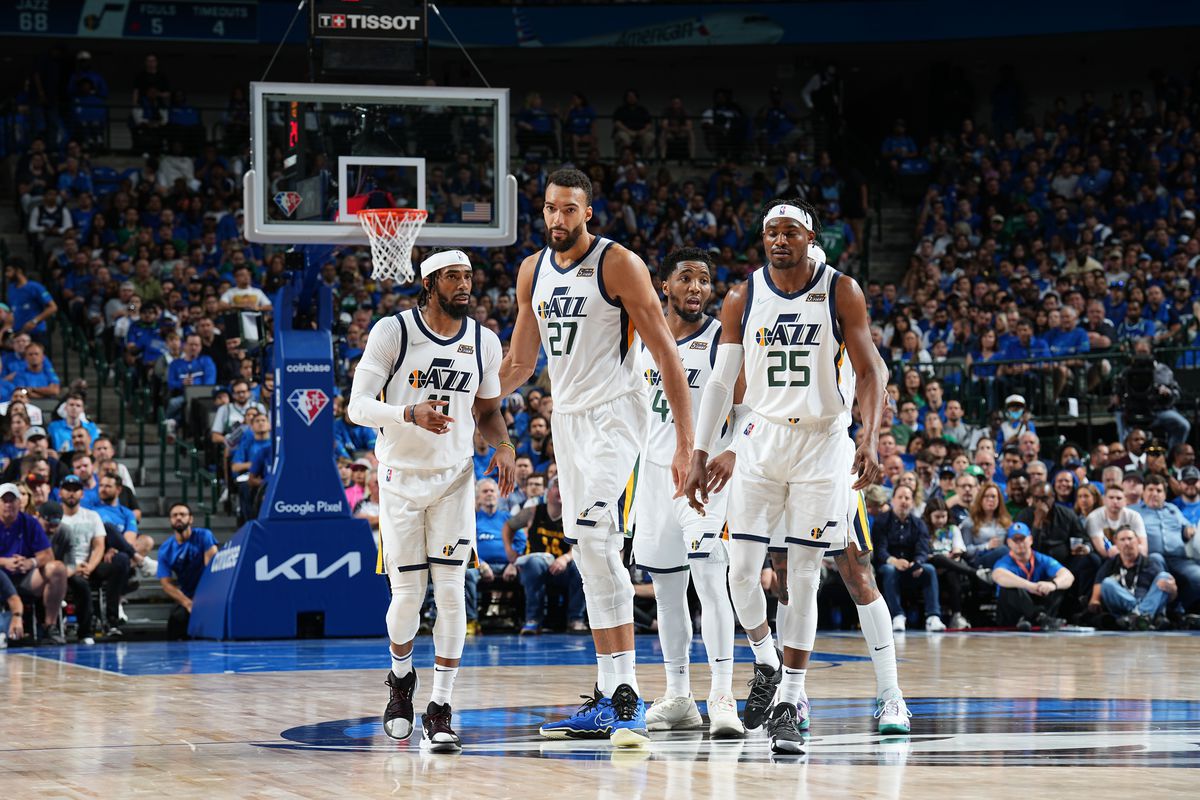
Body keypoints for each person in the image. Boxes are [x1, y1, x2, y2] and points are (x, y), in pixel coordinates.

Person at [683, 198, 904, 755]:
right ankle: (767, 661)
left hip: (826, 443)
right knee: (744, 573)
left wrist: (869, 437)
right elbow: (722, 384)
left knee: (836, 571)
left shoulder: (840, 290)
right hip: (761, 439)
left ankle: (813, 698)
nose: (780, 240)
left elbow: (873, 369)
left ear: (811, 239)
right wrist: (705, 450)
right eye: (771, 233)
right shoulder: (743, 296)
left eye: (791, 232)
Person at [499, 169, 694, 747]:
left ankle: (628, 698)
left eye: (569, 209)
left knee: (597, 538)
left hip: (617, 415)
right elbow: (520, 363)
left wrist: (686, 443)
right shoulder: (531, 271)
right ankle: (611, 696)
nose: (558, 219)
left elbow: (668, 355)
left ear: (588, 212)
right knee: (589, 552)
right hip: (568, 420)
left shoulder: (618, 263)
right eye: (550, 208)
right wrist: (473, 401)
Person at [348, 249, 515, 754]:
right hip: (399, 479)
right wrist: (408, 413)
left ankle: (440, 707)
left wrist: (504, 445)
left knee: (451, 593)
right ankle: (401, 680)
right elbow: (357, 407)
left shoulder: (484, 341)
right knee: (406, 598)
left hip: (454, 480)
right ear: (429, 283)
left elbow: (488, 411)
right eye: (452, 277)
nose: (463, 284)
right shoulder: (393, 331)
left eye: (468, 276)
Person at [626, 247, 743, 739]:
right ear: (665, 285)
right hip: (653, 477)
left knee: (711, 581)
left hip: (704, 477)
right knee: (667, 591)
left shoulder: (721, 340)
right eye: (686, 278)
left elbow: (749, 408)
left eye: (704, 280)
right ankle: (679, 696)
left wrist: (732, 451)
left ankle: (722, 694)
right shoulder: (640, 339)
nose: (696, 287)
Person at [501, 477, 585, 635]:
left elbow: (579, 546)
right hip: (535, 568)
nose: (560, 491)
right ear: (548, 491)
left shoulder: (573, 517)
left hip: (561, 569)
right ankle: (533, 620)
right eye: (557, 486)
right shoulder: (533, 512)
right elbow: (508, 527)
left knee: (579, 567)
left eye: (564, 487)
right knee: (534, 563)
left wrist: (565, 558)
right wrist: (509, 550)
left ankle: (576, 619)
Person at [0, 481, 68, 643]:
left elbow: (48, 555)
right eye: (4, 500)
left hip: (25, 576)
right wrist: (4, 562)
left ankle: (50, 626)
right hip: (1, 577)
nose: (8, 504)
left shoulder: (30, 522)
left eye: (12, 500)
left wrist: (31, 562)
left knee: (57, 568)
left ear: (20, 503)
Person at [874, 485, 945, 632]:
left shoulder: (919, 524)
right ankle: (897, 616)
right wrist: (894, 561)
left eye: (907, 498)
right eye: (900, 497)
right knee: (889, 570)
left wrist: (917, 563)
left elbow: (923, 549)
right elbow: (879, 550)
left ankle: (933, 617)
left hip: (911, 567)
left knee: (929, 569)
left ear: (912, 502)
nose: (903, 501)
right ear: (893, 500)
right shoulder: (881, 521)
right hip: (889, 565)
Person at [51, 477, 109, 644]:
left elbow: (99, 546)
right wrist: (70, 568)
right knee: (78, 583)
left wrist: (90, 566)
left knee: (119, 564)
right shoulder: (55, 517)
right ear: (60, 493)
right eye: (67, 489)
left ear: (82, 494)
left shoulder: (92, 516)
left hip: (86, 565)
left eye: (75, 489)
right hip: (61, 566)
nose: (71, 493)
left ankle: (94, 628)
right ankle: (56, 628)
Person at [1088, 526, 1176, 630]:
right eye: (1122, 539)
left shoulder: (1152, 562)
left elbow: (1169, 596)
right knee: (1107, 583)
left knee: (1164, 577)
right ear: (1116, 543)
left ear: (1138, 540)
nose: (1127, 543)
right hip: (1123, 608)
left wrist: (1173, 590)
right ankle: (1142, 615)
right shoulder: (1110, 564)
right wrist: (1095, 601)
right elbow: (1097, 591)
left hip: (1147, 602)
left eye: (1130, 538)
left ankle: (1136, 616)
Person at [991, 521, 1075, 630]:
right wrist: (1030, 586)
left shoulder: (1041, 559)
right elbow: (998, 575)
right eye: (1015, 540)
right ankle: (1036, 617)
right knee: (1009, 587)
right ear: (1009, 542)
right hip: (1012, 614)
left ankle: (1040, 618)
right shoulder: (1004, 561)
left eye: (1022, 539)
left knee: (1057, 582)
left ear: (1030, 539)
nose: (1019, 543)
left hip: (1038, 604)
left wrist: (1053, 585)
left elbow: (1068, 576)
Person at [157, 502, 217, 639]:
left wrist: (201, 598)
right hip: (187, 597)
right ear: (170, 520)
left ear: (191, 519)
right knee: (175, 621)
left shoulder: (204, 536)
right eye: (174, 515)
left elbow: (212, 570)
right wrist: (188, 603)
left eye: (182, 514)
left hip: (210, 594)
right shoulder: (165, 549)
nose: (178, 517)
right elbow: (166, 584)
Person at [1085, 484, 1147, 558]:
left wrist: (1118, 551)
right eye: (1111, 497)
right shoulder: (1094, 517)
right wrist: (1130, 549)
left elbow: (1143, 549)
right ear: (1104, 500)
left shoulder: (1134, 516)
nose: (1115, 501)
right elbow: (1103, 550)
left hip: (1132, 558)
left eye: (1119, 498)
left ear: (1125, 500)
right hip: (1104, 559)